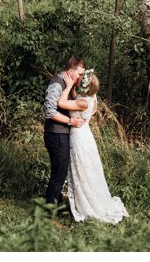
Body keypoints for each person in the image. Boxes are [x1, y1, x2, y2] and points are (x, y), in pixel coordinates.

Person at [62, 71, 129, 224]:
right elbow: (77, 97)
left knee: (82, 170)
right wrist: (74, 87)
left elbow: (62, 103)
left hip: (79, 136)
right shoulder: (92, 98)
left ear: (86, 85)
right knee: (87, 168)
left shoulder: (83, 102)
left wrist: (69, 85)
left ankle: (87, 205)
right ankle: (85, 200)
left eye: (81, 80)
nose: (79, 80)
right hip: (86, 134)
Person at [42, 55, 88, 215]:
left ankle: (57, 206)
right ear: (71, 70)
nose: (81, 77)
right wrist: (70, 121)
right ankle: (48, 213)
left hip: (61, 135)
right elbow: (49, 111)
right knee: (58, 175)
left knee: (59, 173)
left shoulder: (68, 84)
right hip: (56, 135)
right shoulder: (57, 83)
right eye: (80, 74)